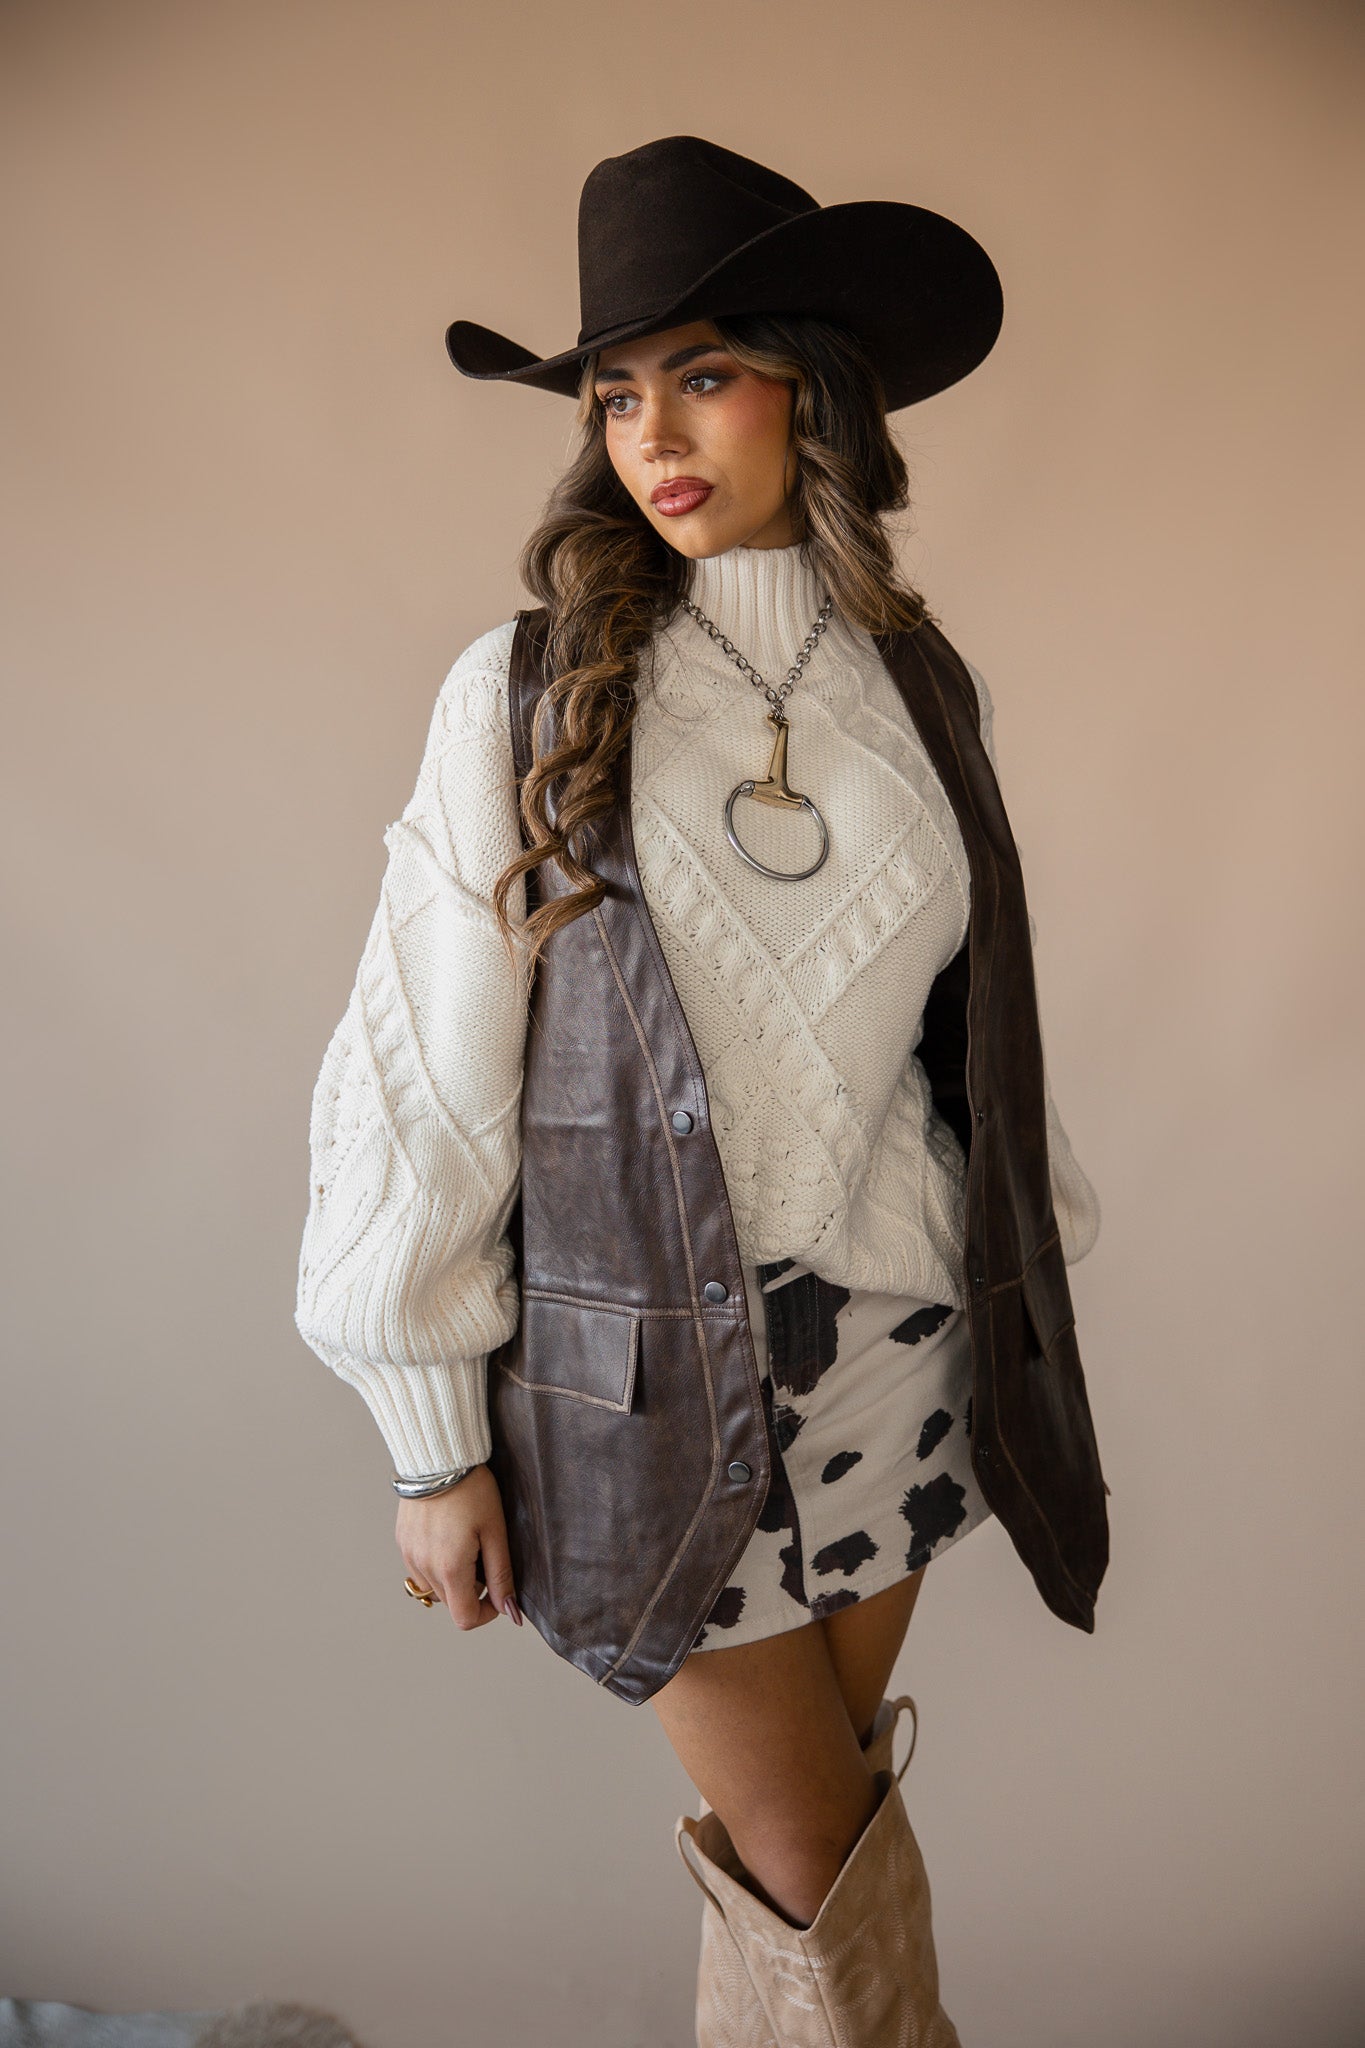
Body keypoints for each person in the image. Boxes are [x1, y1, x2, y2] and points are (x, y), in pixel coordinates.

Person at [294, 135, 1109, 2047]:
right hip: (645, 1395)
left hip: (903, 1360)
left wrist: (1026, 1297)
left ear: (810, 388)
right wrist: (430, 1429)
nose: (651, 431)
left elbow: (976, 1027)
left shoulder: (923, 687)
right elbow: (417, 1060)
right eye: (613, 390)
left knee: (793, 1876)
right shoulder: (523, 687)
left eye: (704, 372)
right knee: (815, 1856)